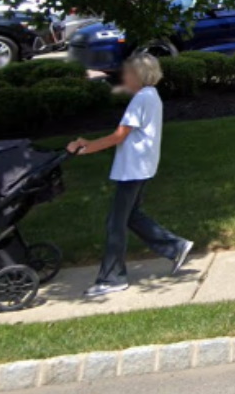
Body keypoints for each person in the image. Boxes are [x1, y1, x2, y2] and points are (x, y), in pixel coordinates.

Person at [67, 54, 193, 296]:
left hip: (133, 169)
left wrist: (87, 147)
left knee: (115, 223)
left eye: (128, 73)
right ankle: (176, 247)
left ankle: (112, 278)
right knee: (131, 215)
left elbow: (119, 136)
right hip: (142, 166)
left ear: (138, 75)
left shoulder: (141, 99)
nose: (124, 77)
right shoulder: (151, 96)